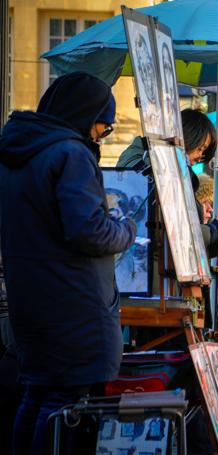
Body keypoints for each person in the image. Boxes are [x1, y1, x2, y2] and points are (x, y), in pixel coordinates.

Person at [0, 72, 137, 454]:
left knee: (37, 394)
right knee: (63, 404)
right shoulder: (70, 154)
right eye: (102, 127)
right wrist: (125, 228)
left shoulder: (18, 151)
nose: (101, 136)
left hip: (32, 301)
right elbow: (89, 232)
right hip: (72, 305)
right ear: (83, 114)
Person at [117, 108, 218, 257]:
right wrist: (213, 232)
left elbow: (185, 248)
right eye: (200, 148)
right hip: (147, 266)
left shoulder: (178, 170)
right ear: (187, 138)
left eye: (204, 151)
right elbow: (175, 230)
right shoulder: (150, 162)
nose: (200, 156)